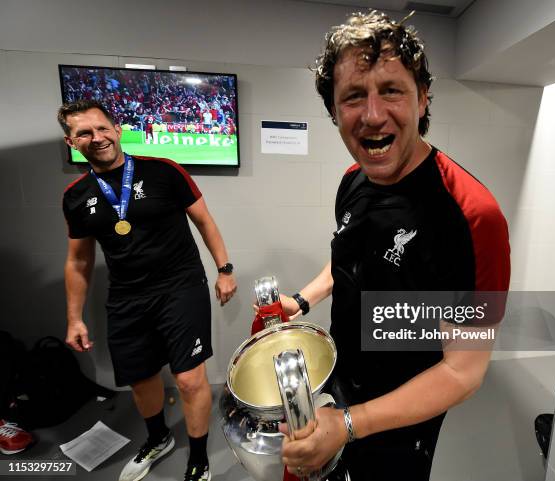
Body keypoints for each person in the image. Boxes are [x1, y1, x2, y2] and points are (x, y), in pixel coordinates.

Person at [278, 11, 511, 481]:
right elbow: (348, 257)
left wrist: (348, 425)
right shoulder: (352, 180)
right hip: (339, 381)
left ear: (423, 98)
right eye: (353, 97)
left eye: (391, 91)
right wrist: (304, 298)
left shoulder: (473, 215)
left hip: (404, 418)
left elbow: (464, 372)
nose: (372, 115)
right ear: (334, 112)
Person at [59, 99, 237, 481]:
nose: (97, 138)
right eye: (84, 133)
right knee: (140, 379)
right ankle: (158, 439)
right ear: (71, 142)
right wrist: (74, 317)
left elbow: (205, 222)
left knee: (189, 379)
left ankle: (199, 458)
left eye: (102, 128)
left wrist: (224, 270)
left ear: (118, 129)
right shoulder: (76, 196)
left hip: (180, 287)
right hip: (126, 297)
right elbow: (78, 262)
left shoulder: (164, 171)